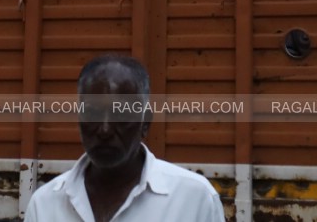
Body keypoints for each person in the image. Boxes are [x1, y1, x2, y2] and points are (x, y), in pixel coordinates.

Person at [23, 54, 224, 222]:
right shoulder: (44, 205)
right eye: (92, 113)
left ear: (145, 122)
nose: (104, 129)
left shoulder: (194, 199)